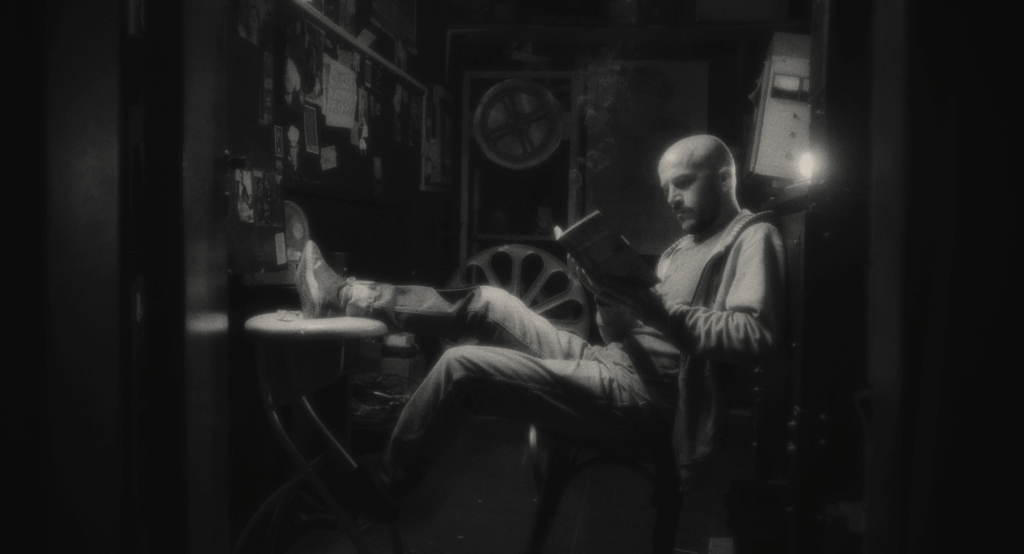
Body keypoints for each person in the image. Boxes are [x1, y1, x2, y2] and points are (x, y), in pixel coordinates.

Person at [296, 134, 785, 523]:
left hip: (649, 400)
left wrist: (654, 309)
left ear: (725, 177)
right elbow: (623, 333)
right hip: (613, 362)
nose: (673, 199)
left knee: (460, 367)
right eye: (666, 190)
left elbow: (755, 336)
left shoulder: (752, 236)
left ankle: (385, 489)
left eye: (683, 183)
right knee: (489, 299)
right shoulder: (681, 248)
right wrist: (604, 294)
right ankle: (347, 296)